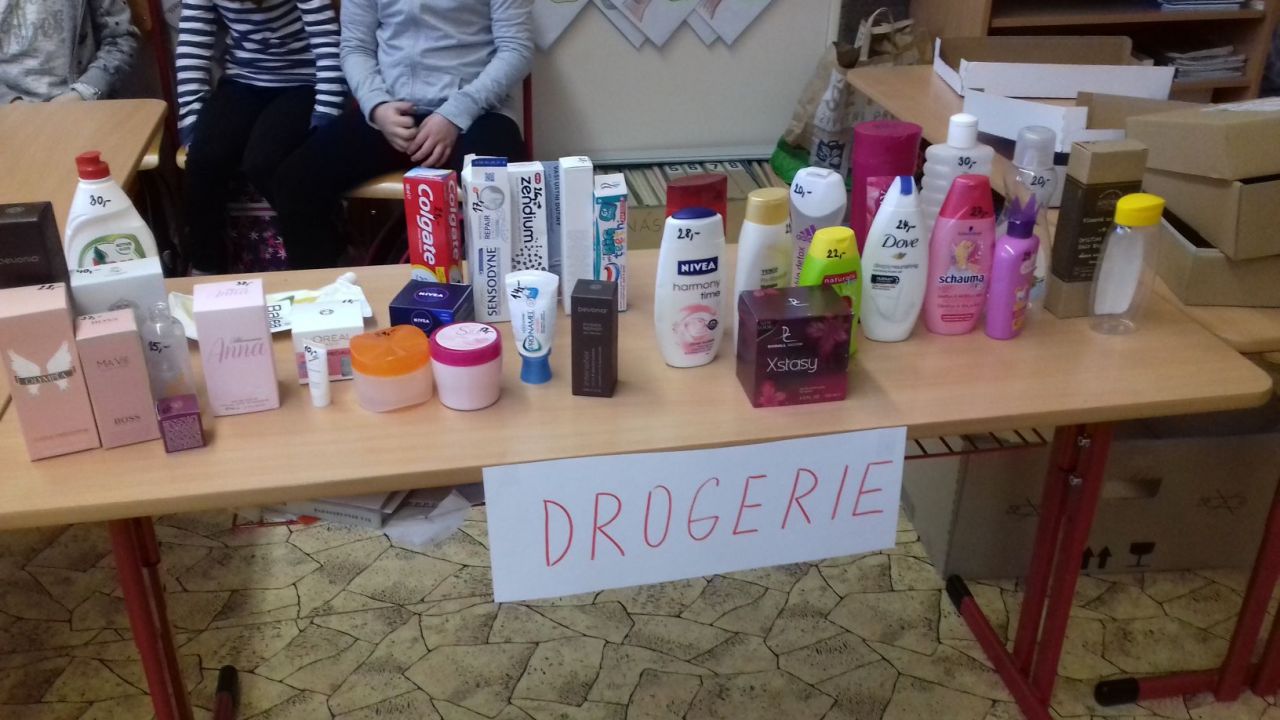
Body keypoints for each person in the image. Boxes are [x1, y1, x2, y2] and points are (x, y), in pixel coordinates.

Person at [272, 0, 533, 269]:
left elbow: (517, 50)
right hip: (392, 113)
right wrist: (376, 106)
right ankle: (328, 287)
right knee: (294, 181)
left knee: (503, 195)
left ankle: (503, 290)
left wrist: (455, 114)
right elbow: (355, 47)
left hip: (478, 112)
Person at [176, 0, 345, 274]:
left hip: (303, 81)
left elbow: (327, 43)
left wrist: (325, 115)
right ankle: (205, 269)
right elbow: (192, 47)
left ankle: (320, 262)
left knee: (265, 160)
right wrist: (193, 120)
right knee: (204, 159)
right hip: (243, 79)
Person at [0, 0, 139, 103]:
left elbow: (121, 39)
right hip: (8, 112)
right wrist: (11, 103)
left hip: (82, 104)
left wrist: (83, 93)